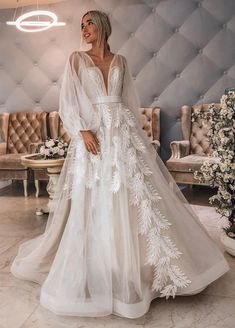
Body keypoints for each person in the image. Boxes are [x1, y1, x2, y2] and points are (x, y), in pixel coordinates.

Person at [11, 10, 229, 319]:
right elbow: (69, 100)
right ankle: (102, 265)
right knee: (98, 195)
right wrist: (83, 130)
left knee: (134, 195)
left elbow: (128, 101)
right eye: (81, 24)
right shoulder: (76, 59)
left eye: (89, 23)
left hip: (124, 133)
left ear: (103, 26)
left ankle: (135, 264)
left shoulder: (121, 61)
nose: (84, 29)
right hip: (94, 134)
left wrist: (138, 137)